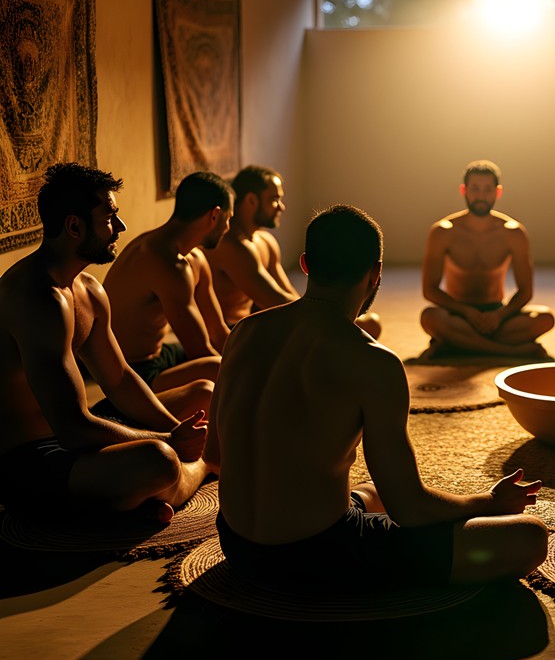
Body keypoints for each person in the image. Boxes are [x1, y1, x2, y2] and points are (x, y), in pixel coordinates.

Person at [206, 205, 547, 590]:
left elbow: (214, 455)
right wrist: (488, 501)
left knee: (370, 494)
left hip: (235, 545)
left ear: (305, 264)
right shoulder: (372, 360)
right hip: (314, 555)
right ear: (376, 274)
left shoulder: (244, 332)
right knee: (529, 537)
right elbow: (410, 508)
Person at [0, 163, 210, 522]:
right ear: (74, 226)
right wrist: (172, 443)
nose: (122, 227)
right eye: (110, 216)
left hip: (80, 439)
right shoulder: (35, 298)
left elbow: (119, 380)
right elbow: (72, 428)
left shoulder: (89, 291)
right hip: (29, 461)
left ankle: (132, 502)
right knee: (159, 459)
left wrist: (175, 428)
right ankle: (205, 467)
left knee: (204, 393)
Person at [206, 165, 381, 336]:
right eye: (274, 199)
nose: (281, 207)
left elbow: (290, 295)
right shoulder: (232, 247)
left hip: (260, 325)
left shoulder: (266, 242)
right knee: (361, 328)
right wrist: (337, 320)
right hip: (234, 334)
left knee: (369, 325)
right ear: (251, 200)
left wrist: (332, 318)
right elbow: (273, 300)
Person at [104, 172, 233, 395]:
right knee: (217, 368)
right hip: (130, 374)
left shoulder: (195, 259)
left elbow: (218, 331)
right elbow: (199, 352)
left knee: (240, 351)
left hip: (159, 355)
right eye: (228, 219)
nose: (228, 227)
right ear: (215, 215)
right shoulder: (164, 260)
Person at [420, 160, 554, 357]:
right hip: (458, 313)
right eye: (475, 189)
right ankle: (509, 352)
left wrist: (499, 315)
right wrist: (466, 312)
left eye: (487, 189)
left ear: (498, 192)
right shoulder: (443, 231)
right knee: (430, 317)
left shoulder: (513, 232)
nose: (480, 196)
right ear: (463, 190)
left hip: (496, 315)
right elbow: (429, 290)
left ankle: (456, 344)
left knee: (545, 318)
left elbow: (526, 291)